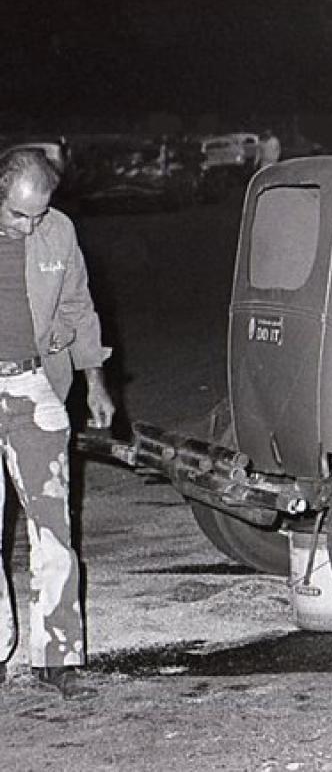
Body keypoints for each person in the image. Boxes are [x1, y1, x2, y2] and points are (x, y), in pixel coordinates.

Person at [0, 150, 114, 699]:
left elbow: (77, 308)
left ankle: (58, 657)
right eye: (17, 215)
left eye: (38, 214)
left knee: (53, 529)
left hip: (36, 387)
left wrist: (96, 383)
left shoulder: (59, 232)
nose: (29, 226)